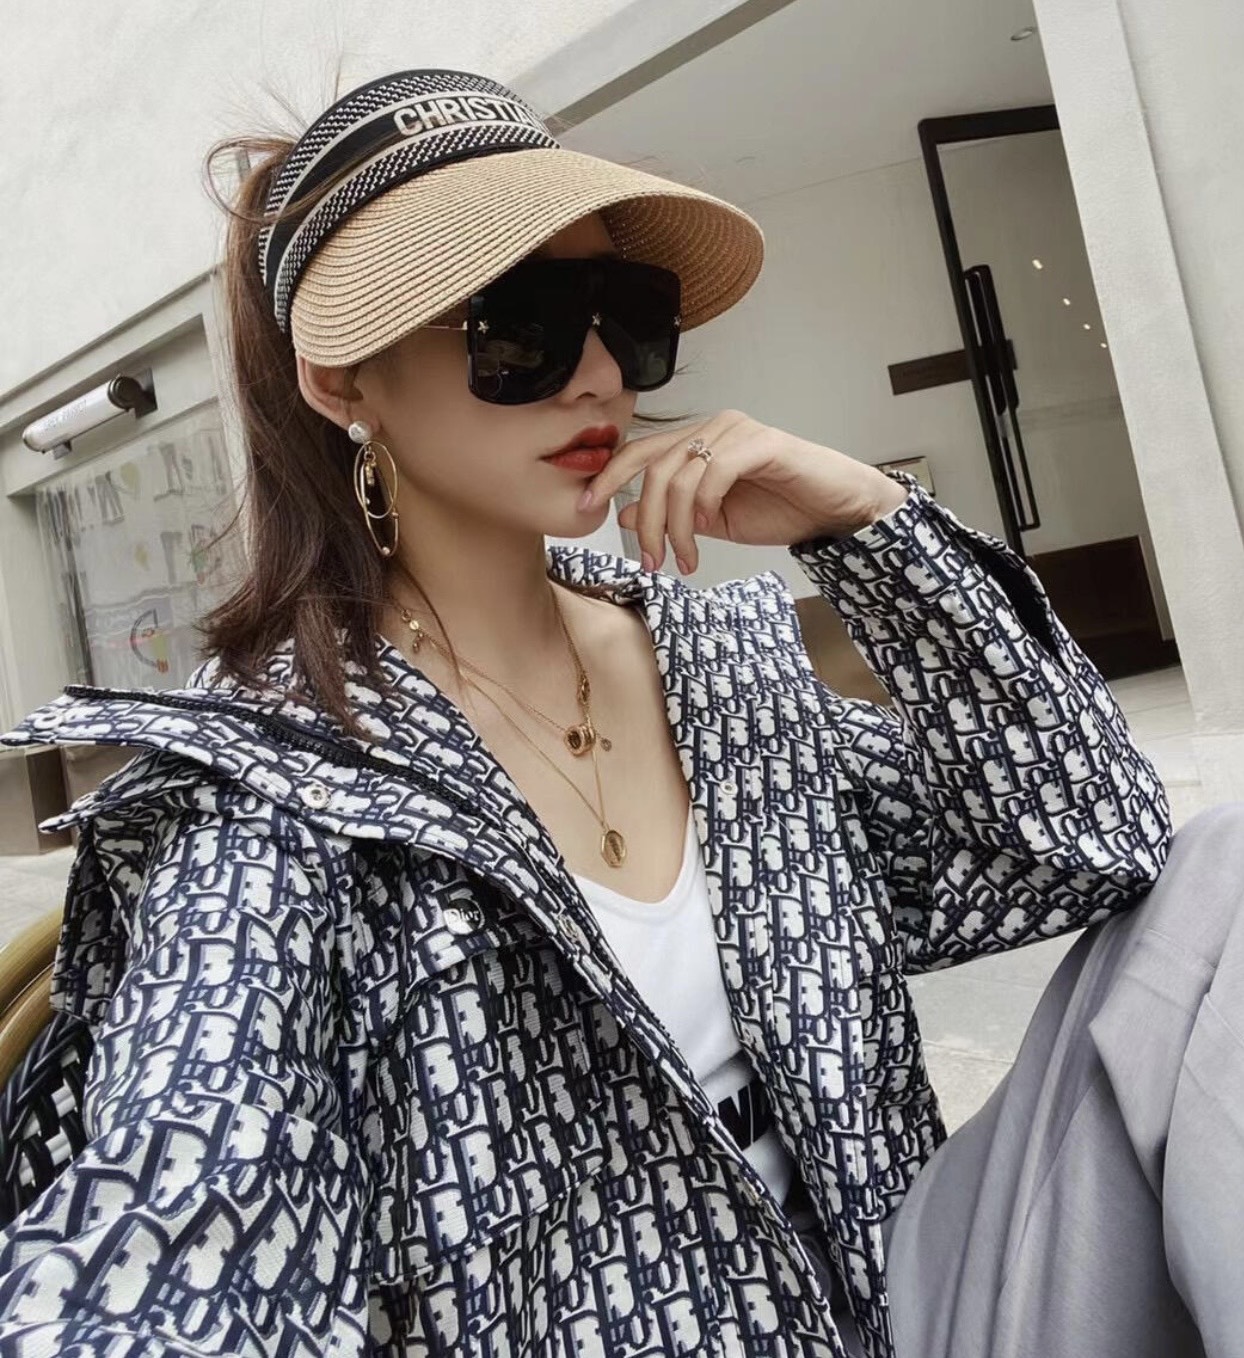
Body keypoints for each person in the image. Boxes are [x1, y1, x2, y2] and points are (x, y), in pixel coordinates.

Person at [0, 65, 1236, 1358]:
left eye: (629, 315)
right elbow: (182, 1225)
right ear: (342, 383)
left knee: (1226, 876)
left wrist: (867, 524)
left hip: (915, 1299)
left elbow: (1083, 848)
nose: (597, 373)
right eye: (518, 323)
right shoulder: (276, 794)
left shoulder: (721, 671)